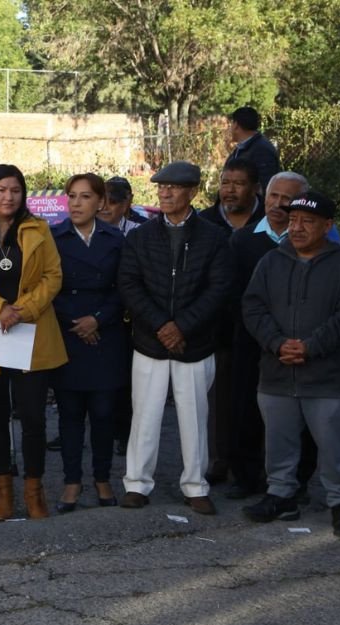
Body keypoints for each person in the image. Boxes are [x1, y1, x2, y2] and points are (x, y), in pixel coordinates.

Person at [242, 191, 340, 539]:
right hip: (277, 372)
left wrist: (311, 347)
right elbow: (253, 308)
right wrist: (277, 343)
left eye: (306, 222)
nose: (296, 228)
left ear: (327, 226)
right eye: (293, 220)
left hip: (326, 377)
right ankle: (281, 496)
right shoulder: (271, 262)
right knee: (278, 442)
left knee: (335, 444)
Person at [117, 160, 232, 515]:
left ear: (193, 191)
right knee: (144, 416)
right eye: (161, 186)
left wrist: (181, 326)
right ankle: (137, 483)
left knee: (195, 416)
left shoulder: (214, 237)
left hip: (194, 343)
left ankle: (196, 485)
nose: (165, 192)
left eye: (174, 187)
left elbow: (219, 289)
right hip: (151, 341)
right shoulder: (140, 235)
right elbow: (129, 285)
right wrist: (162, 326)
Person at [0, 164, 65, 521]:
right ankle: (2, 487)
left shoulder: (39, 228)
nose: (8, 197)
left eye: (16, 191)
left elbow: (53, 276)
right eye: (1, 190)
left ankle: (34, 489)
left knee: (34, 416)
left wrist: (23, 310)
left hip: (30, 331)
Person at [226, 171, 320, 500]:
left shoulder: (317, 244)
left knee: (301, 416)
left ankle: (299, 480)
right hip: (252, 343)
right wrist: (267, 336)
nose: (278, 205)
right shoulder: (243, 239)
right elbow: (236, 296)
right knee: (245, 411)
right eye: (273, 197)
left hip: (299, 347)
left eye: (287, 199)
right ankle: (247, 477)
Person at [51, 173, 128, 512]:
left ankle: (101, 478)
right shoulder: (54, 238)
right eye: (72, 196)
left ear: (101, 203)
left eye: (85, 197)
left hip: (106, 334)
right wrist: (77, 322)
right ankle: (71, 481)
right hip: (67, 332)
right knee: (69, 413)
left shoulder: (117, 239)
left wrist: (98, 319)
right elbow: (48, 286)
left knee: (103, 412)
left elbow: (125, 288)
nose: (77, 203)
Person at [198, 158, 265, 484]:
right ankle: (220, 461)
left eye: (238, 183)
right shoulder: (205, 223)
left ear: (255, 188)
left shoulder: (273, 222)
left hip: (265, 331)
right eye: (225, 182)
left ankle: (261, 466)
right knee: (221, 400)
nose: (230, 190)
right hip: (219, 329)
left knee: (261, 399)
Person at [100, 176, 144, 456]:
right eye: (101, 202)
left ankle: (123, 432)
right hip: (94, 315)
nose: (105, 209)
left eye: (112, 203)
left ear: (126, 204)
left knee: (125, 379)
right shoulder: (85, 230)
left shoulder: (140, 231)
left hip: (130, 316)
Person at [227, 107, 281, 193]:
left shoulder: (262, 151)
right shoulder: (241, 149)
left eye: (231, 124)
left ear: (236, 125)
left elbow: (266, 186)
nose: (230, 129)